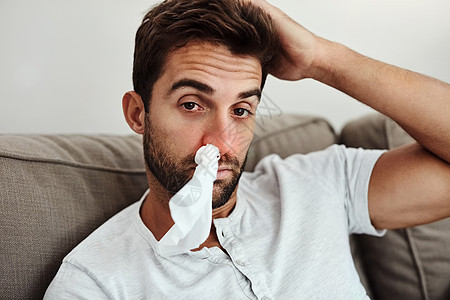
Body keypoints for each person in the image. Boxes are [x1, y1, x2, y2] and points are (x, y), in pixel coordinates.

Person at [45, 0, 450, 298]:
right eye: (192, 104)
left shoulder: (318, 184)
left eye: (241, 109)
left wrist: (322, 59)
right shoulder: (94, 283)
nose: (221, 142)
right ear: (138, 113)